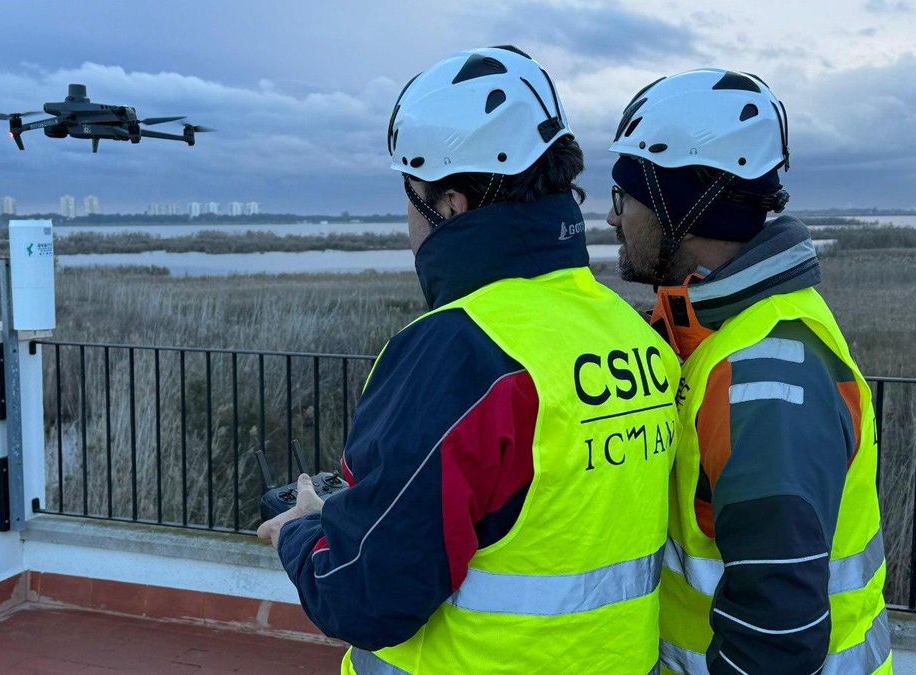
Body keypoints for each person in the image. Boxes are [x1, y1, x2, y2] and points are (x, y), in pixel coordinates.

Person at [256, 46, 680, 674]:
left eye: (411, 195)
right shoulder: (632, 333)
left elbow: (367, 594)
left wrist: (301, 531)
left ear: (450, 205)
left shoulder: (458, 352)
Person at [605, 68, 890, 674]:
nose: (611, 219)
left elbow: (778, 640)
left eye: (623, 197)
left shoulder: (765, 379)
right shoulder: (711, 330)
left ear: (676, 208)